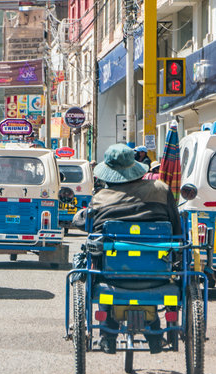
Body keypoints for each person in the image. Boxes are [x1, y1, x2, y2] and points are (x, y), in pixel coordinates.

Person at [75, 144, 181, 354]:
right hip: (158, 276)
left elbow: (90, 233)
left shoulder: (100, 199)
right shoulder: (161, 189)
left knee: (97, 262)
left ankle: (108, 334)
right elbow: (177, 232)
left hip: (113, 278)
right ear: (134, 167)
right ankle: (155, 332)